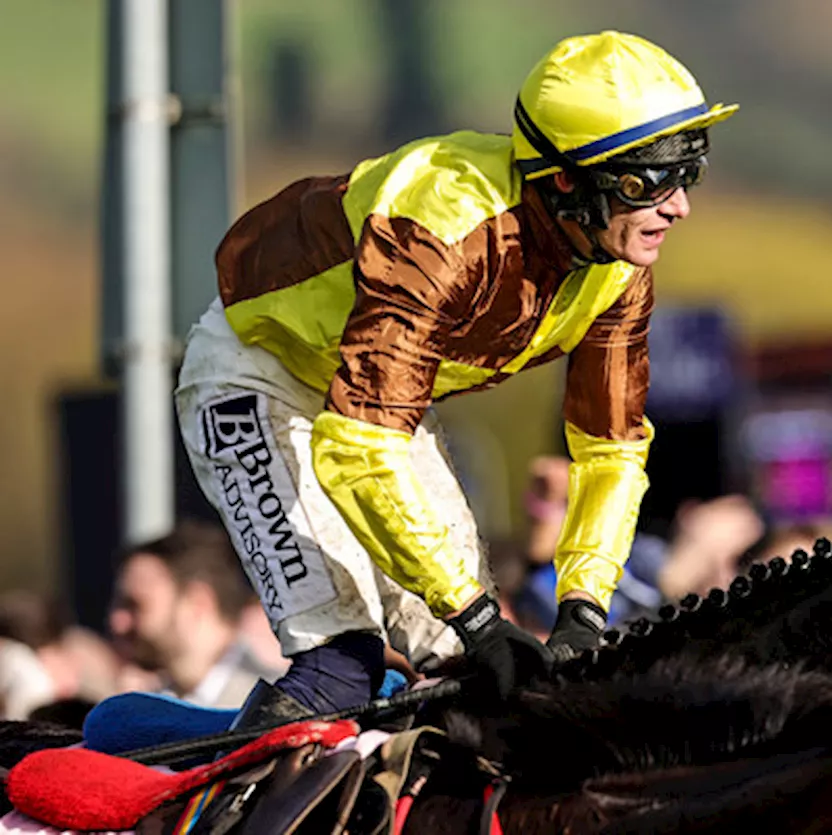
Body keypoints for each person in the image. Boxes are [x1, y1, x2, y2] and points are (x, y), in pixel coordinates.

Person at [175, 31, 737, 725]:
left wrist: (584, 608)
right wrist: (475, 616)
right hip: (259, 372)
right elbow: (355, 447)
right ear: (565, 180)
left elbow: (611, 451)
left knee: (464, 668)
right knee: (341, 664)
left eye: (689, 175)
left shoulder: (618, 268)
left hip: (378, 404)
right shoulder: (442, 227)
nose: (678, 206)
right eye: (648, 182)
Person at [108, 521, 281, 709]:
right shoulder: (146, 711)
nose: (118, 622)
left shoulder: (273, 707)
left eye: (136, 605)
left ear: (198, 604)